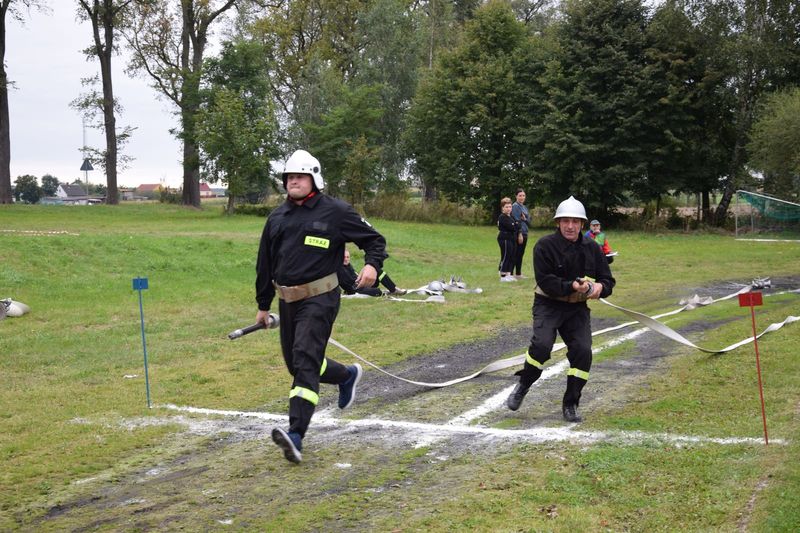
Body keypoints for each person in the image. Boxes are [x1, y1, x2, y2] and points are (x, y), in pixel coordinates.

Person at [255, 149, 388, 464]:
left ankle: (296, 434)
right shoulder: (276, 218)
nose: (293, 182)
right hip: (287, 302)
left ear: (314, 178)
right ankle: (345, 376)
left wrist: (371, 266)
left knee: (304, 359)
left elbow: (375, 240)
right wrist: (263, 305)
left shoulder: (336, 212)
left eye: (299, 176)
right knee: (298, 363)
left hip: (321, 297)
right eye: (289, 177)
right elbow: (265, 264)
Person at [506, 196, 615, 422]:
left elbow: (608, 281)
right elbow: (546, 281)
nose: (570, 226)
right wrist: (572, 286)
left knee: (583, 352)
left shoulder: (592, 248)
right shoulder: (545, 246)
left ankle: (571, 404)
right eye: (565, 221)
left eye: (575, 222)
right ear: (558, 222)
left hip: (577, 309)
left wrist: (598, 288)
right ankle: (524, 384)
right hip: (548, 304)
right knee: (542, 346)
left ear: (582, 225)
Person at [338, 248, 406, 297]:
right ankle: (383, 292)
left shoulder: (348, 266)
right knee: (378, 292)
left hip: (362, 284)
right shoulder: (338, 268)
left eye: (347, 257)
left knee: (377, 270)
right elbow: (347, 283)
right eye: (344, 257)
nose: (346, 259)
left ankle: (393, 289)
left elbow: (355, 276)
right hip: (356, 289)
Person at [497, 197, 519, 282]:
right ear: (502, 208)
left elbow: (517, 224)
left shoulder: (511, 216)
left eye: (510, 207)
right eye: (506, 207)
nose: (509, 209)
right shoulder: (502, 217)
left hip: (511, 238)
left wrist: (515, 224)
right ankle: (503, 275)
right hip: (505, 238)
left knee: (511, 255)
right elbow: (511, 227)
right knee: (506, 255)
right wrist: (515, 225)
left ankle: (508, 274)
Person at [511, 189, 530, 277]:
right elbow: (516, 221)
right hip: (519, 233)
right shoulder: (515, 206)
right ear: (516, 196)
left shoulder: (524, 207)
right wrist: (519, 233)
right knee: (515, 253)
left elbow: (529, 221)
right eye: (520, 195)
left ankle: (518, 274)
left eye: (523, 195)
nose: (522, 197)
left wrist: (525, 219)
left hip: (525, 232)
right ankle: (510, 274)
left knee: (520, 254)